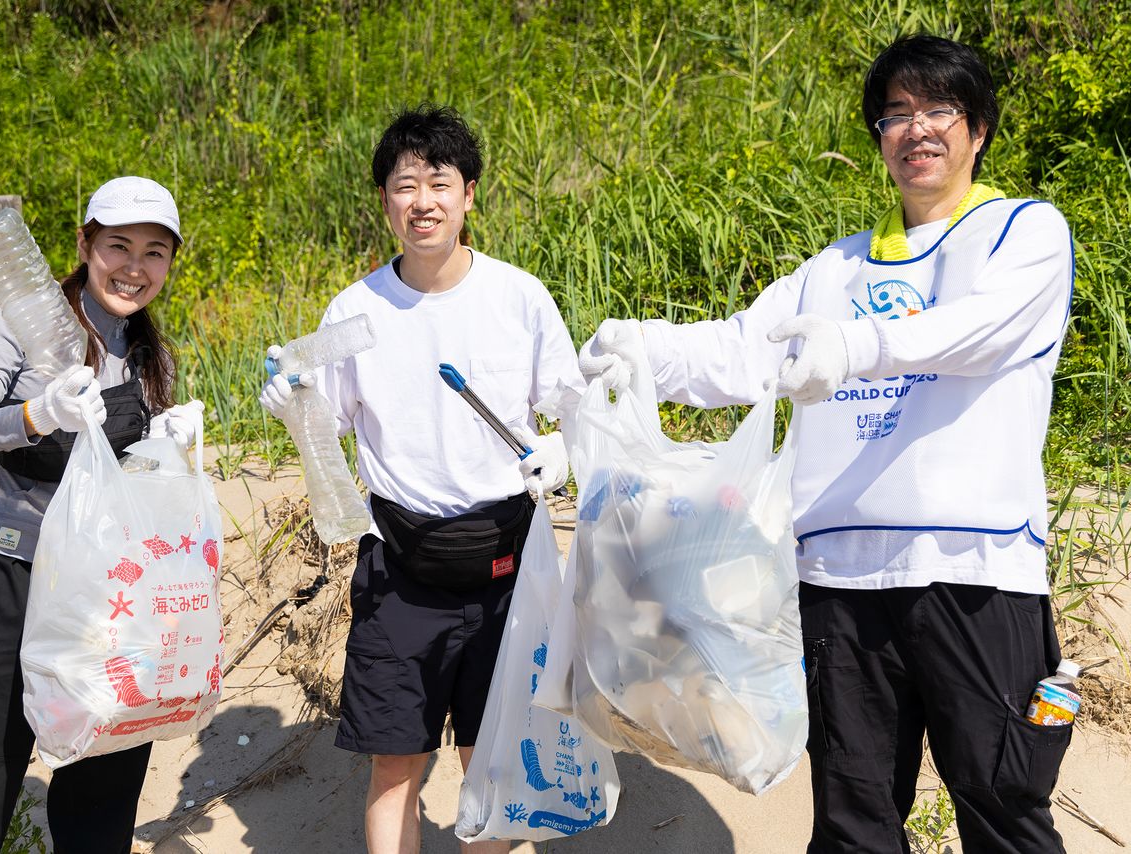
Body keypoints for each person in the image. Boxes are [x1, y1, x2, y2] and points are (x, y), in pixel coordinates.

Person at [581, 35, 1073, 853]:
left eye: (939, 110)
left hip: (973, 571)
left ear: (977, 129)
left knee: (1003, 808)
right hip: (839, 582)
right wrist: (649, 350)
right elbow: (744, 350)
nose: (917, 129)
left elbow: (983, 331)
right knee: (852, 824)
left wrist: (858, 347)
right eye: (896, 114)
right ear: (878, 136)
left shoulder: (1023, 233)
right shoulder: (831, 271)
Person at [260, 105, 581, 854]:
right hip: (399, 570)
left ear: (470, 194)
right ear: (384, 201)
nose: (423, 201)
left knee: (493, 761)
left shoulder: (518, 298)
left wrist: (562, 449)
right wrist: (291, 402)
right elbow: (326, 420)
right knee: (395, 766)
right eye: (405, 186)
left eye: (440, 182)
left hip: (507, 567)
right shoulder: (356, 310)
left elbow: (574, 406)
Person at [0, 176, 204, 854]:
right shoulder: (22, 321)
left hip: (104, 602)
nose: (134, 267)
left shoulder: (148, 354)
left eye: (155, 252)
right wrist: (36, 415)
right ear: (85, 243)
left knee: (102, 796)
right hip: (4, 580)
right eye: (118, 246)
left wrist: (172, 450)